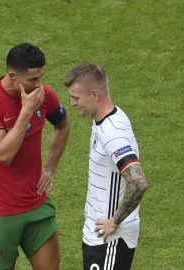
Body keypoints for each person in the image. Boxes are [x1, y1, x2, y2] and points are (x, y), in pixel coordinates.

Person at [0, 43, 70, 270]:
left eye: (40, 78)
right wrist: (26, 112)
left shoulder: (42, 96)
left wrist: (51, 167)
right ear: (13, 76)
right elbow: (3, 154)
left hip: (36, 205)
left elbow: (62, 125)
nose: (38, 86)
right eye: (32, 80)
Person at [64, 63, 148, 270]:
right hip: (98, 233)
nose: (72, 103)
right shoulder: (104, 118)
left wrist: (114, 222)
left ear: (94, 95)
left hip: (110, 238)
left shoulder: (113, 133)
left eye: (76, 97)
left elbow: (138, 182)